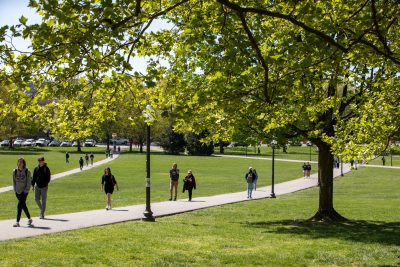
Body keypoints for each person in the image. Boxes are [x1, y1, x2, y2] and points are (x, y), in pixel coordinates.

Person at [12, 158, 33, 227]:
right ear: (17, 163)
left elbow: (29, 183)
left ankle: (17, 222)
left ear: (24, 163)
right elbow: (14, 182)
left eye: (22, 162)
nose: (20, 163)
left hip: (24, 192)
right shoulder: (14, 171)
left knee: (19, 206)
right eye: (19, 162)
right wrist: (15, 190)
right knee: (23, 205)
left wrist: (26, 191)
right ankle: (29, 218)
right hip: (17, 192)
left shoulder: (27, 171)